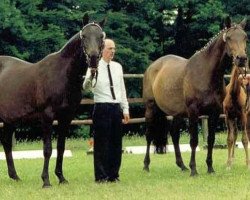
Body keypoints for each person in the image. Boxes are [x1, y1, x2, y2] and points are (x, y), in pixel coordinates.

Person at [83, 38, 130, 183]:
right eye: (110, 49)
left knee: (116, 144)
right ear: (102, 49)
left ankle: (113, 175)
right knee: (102, 144)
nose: (113, 51)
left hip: (116, 108)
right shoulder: (94, 66)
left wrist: (125, 108)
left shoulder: (118, 67)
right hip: (102, 107)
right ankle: (101, 176)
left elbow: (122, 89)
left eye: (114, 49)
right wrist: (91, 74)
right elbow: (86, 87)